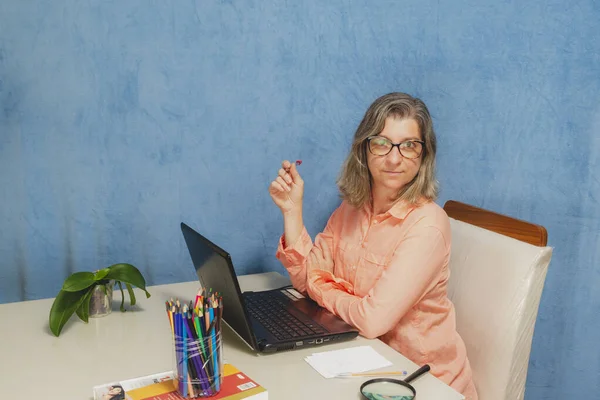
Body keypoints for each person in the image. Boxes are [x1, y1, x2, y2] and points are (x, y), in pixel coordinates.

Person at [269, 92, 477, 399]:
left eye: (409, 146)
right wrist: (292, 212)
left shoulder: (428, 225)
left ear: (424, 156)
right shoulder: (350, 209)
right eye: (381, 143)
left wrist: (322, 288)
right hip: (366, 367)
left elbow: (371, 320)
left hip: (423, 383)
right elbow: (305, 280)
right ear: (364, 149)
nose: (394, 158)